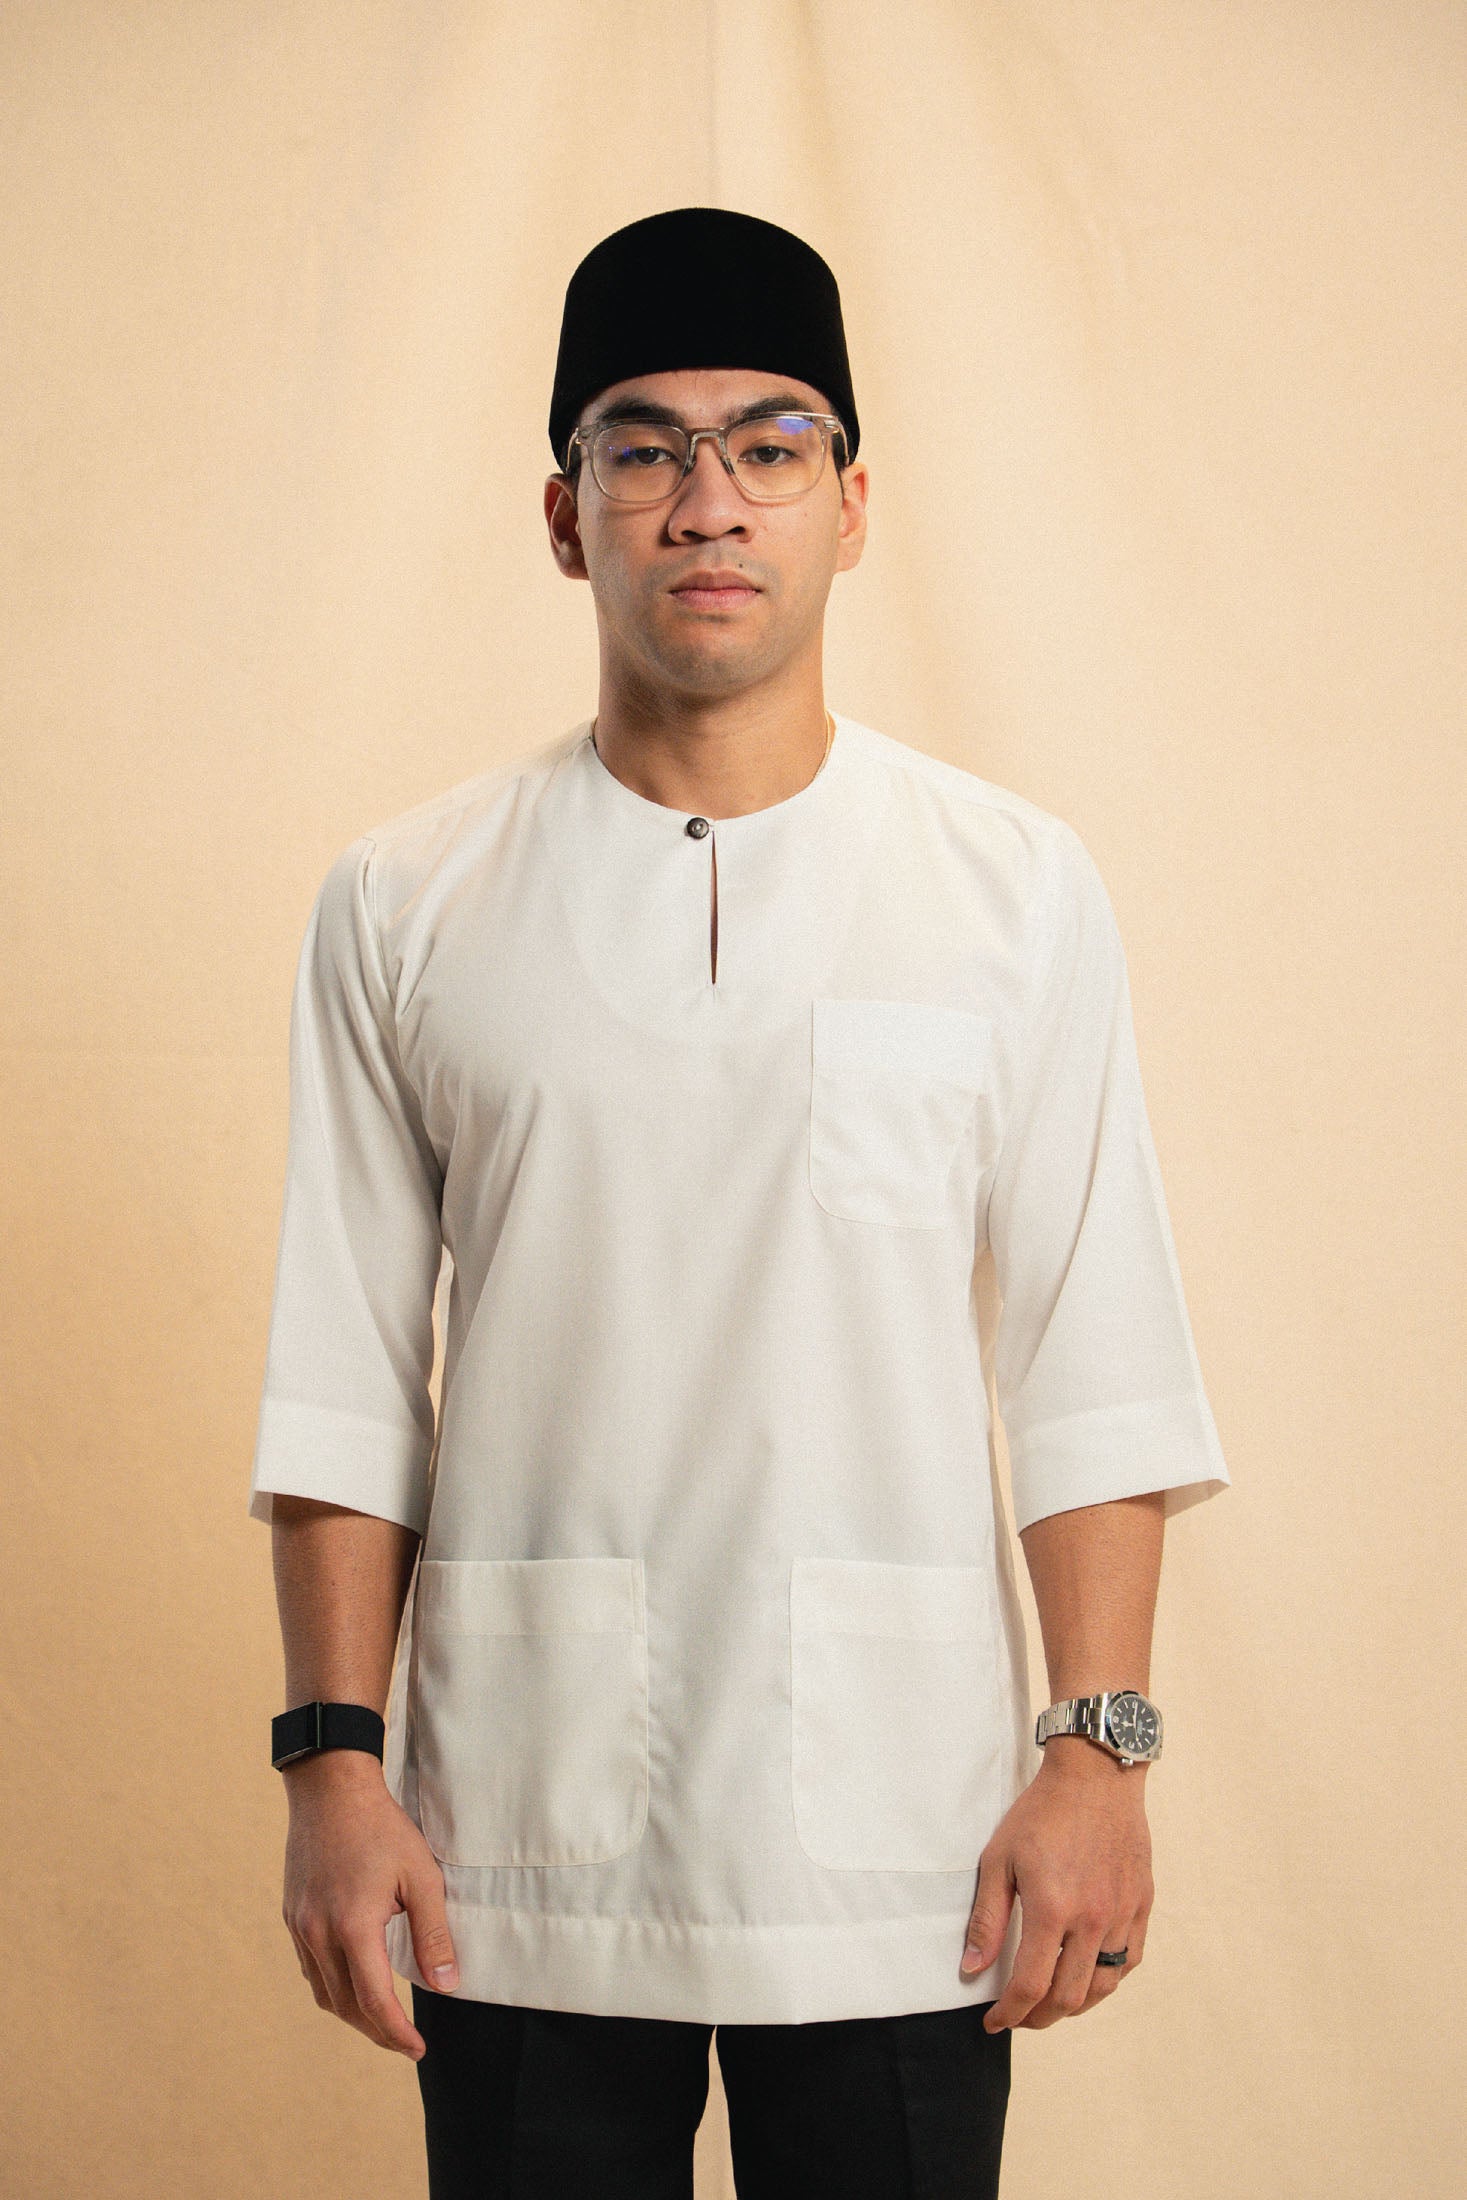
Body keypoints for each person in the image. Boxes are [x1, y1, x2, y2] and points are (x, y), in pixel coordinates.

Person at [251, 206, 1231, 2198]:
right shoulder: (409, 900)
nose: (709, 500)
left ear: (850, 506)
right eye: (646, 446)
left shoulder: (1008, 890)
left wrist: (1098, 1749)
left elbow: (1091, 1344)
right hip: (510, 1845)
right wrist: (332, 1762)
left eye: (770, 444)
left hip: (907, 1848)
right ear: (565, 515)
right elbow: (344, 1370)